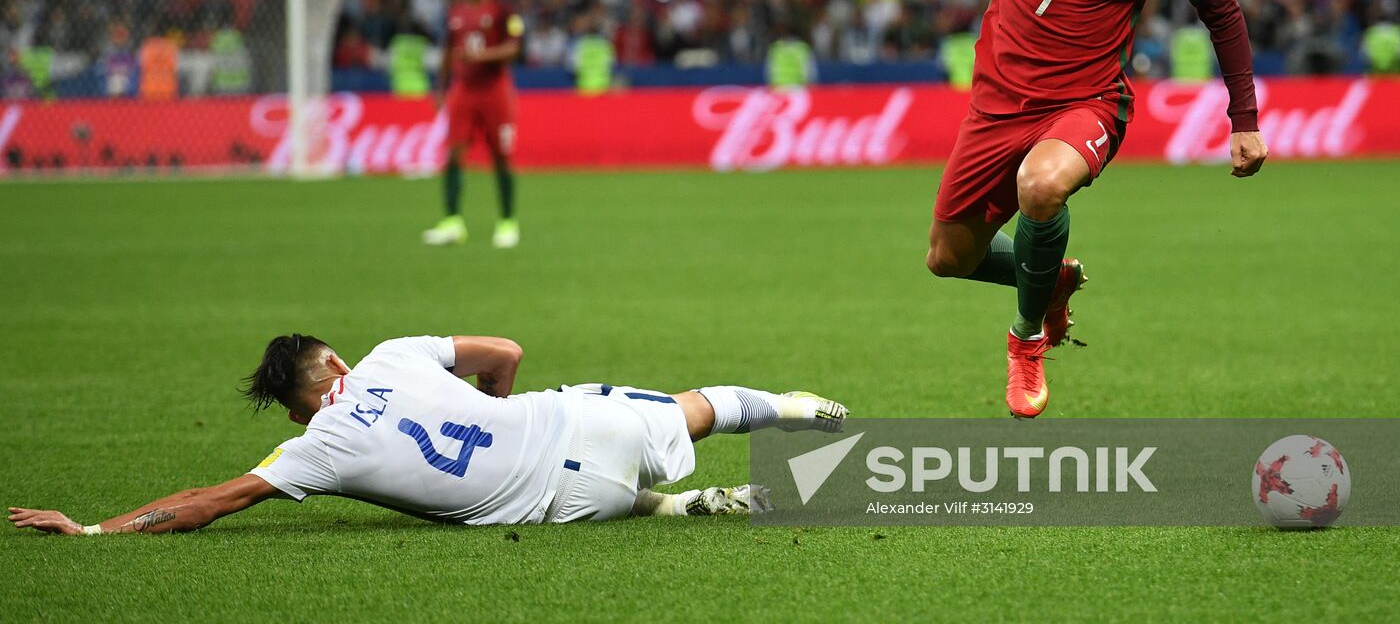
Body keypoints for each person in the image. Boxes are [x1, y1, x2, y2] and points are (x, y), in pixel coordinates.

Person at [826, 0, 1268, 418]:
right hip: (997, 104)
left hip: (1087, 104)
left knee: (1041, 187)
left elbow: (1222, 10)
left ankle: (1027, 337)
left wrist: (1244, 119)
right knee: (948, 259)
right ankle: (1051, 274)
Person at [9, 334, 847, 534]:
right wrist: (491, 401)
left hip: (562, 499)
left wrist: (90, 531)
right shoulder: (392, 353)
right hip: (570, 417)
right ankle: (795, 409)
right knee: (687, 405)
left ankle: (695, 504)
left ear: (301, 405)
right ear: (332, 357)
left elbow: (205, 503)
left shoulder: (312, 451)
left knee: (606, 497)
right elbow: (508, 354)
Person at [423, 0, 524, 249]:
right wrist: (440, 87)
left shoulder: (504, 11)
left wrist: (480, 56)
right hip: (463, 91)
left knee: (501, 156)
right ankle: (453, 222)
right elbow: (448, 51)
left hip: (495, 91)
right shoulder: (454, 12)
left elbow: (514, 48)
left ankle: (507, 222)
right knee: (454, 154)